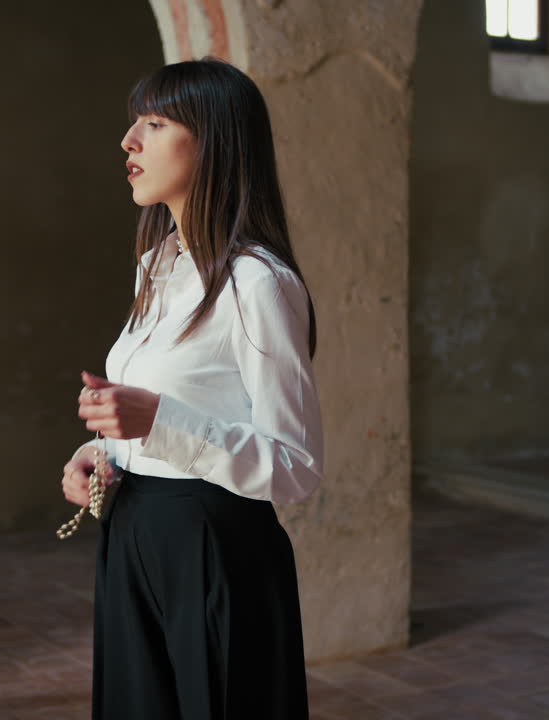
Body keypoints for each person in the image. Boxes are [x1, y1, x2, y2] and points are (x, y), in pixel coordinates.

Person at [61, 58, 323, 720]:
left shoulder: (258, 284)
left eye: (153, 123)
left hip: (216, 548)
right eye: (134, 124)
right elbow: (154, 415)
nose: (129, 141)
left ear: (212, 142)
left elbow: (295, 468)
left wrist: (159, 424)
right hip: (134, 532)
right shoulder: (159, 269)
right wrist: (103, 457)